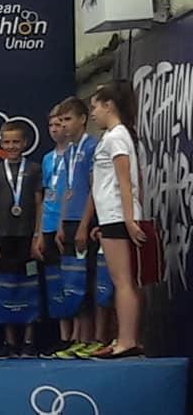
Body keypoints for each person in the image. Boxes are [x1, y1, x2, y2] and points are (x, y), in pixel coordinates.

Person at [88, 81, 144, 359]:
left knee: (122, 281)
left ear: (109, 105)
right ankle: (124, 337)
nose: (93, 113)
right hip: (113, 216)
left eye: (95, 107)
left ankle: (127, 340)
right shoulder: (114, 136)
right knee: (122, 280)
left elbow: (125, 181)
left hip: (118, 215)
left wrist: (129, 220)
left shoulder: (116, 137)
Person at [51, 96, 108, 359]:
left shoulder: (92, 146)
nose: (63, 125)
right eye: (60, 120)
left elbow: (94, 189)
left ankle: (98, 337)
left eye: (68, 119)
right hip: (70, 222)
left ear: (83, 119)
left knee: (92, 281)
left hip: (87, 222)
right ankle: (81, 339)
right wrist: (62, 223)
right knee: (74, 283)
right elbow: (67, 191)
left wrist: (85, 225)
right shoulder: (69, 151)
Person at [0, 121, 43, 359]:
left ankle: (29, 341)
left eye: (16, 142)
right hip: (3, 237)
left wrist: (38, 236)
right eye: (7, 142)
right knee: (5, 288)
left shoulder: (35, 169)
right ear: (0, 143)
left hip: (27, 237)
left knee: (29, 286)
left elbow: (39, 203)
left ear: (25, 143)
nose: (11, 146)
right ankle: (9, 342)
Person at [38, 105, 73, 359]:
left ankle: (76, 336)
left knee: (72, 280)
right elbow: (45, 195)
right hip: (49, 224)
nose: (54, 129)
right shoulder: (47, 158)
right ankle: (62, 336)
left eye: (59, 124)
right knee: (55, 283)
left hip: (68, 222)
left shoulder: (75, 154)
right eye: (51, 125)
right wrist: (40, 232)